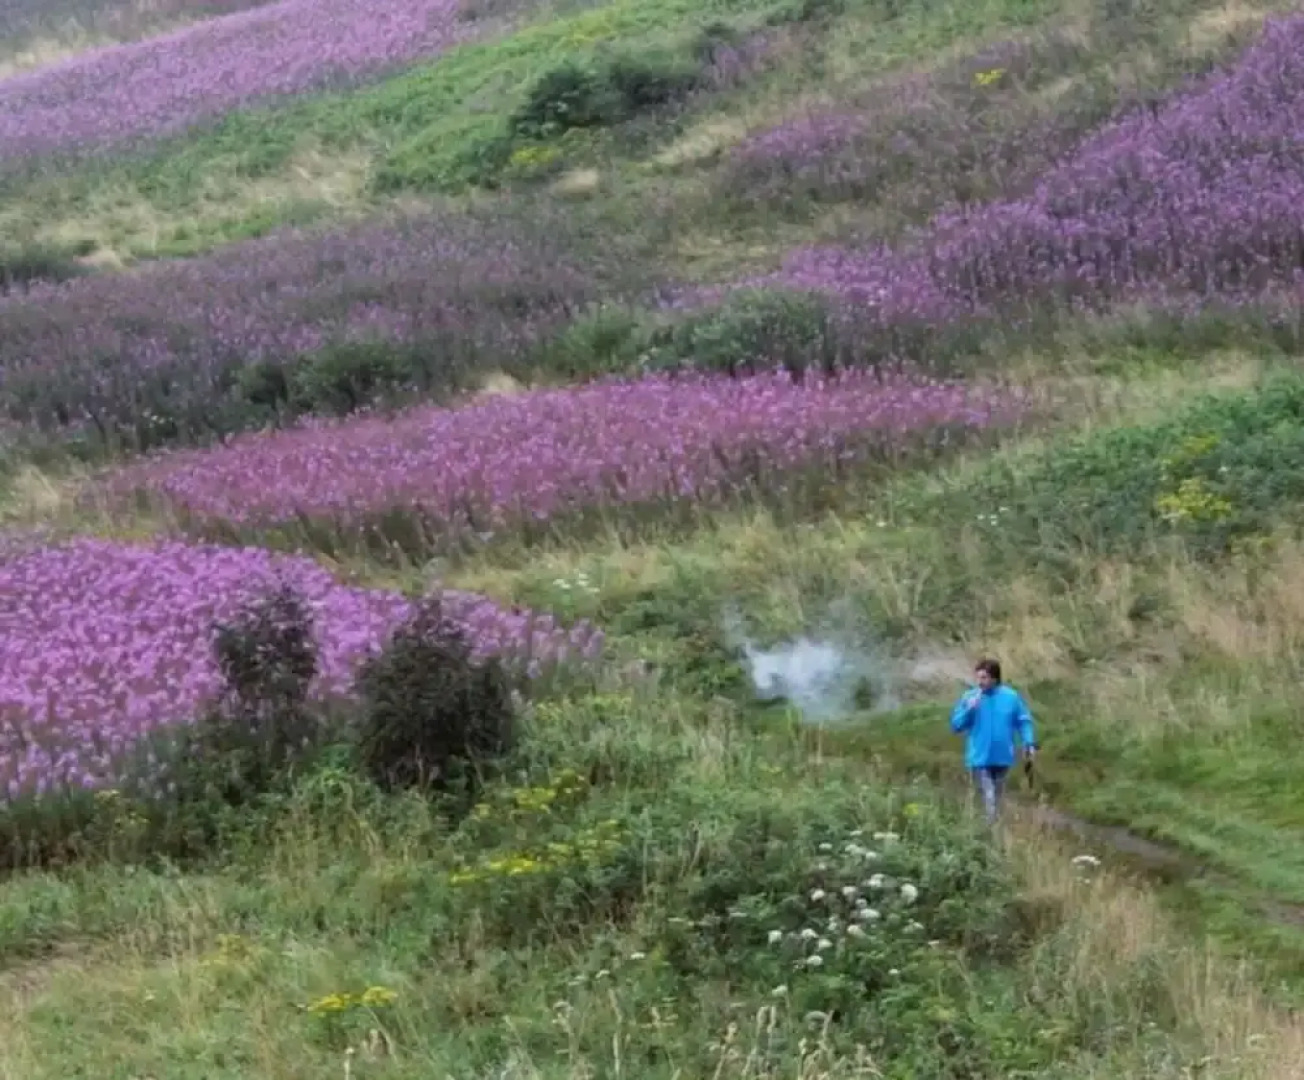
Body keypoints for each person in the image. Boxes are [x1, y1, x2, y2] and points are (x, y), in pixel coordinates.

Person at [949, 658, 1037, 825]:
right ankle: (990, 828)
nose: (980, 682)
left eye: (984, 678)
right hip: (979, 757)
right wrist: (969, 709)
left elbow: (1023, 721)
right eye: (978, 677)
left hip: (1002, 756)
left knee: (998, 797)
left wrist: (1029, 743)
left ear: (995, 678)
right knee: (988, 797)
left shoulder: (1011, 697)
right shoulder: (970, 697)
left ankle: (995, 829)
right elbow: (956, 726)